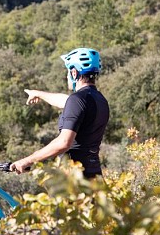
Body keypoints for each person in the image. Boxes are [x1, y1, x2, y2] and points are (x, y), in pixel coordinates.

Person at [10, 48, 109, 179]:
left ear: (74, 73)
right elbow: (66, 101)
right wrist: (38, 93)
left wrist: (27, 160)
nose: (67, 76)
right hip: (94, 175)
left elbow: (64, 143)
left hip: (75, 180)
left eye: (68, 72)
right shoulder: (99, 99)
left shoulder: (77, 100)